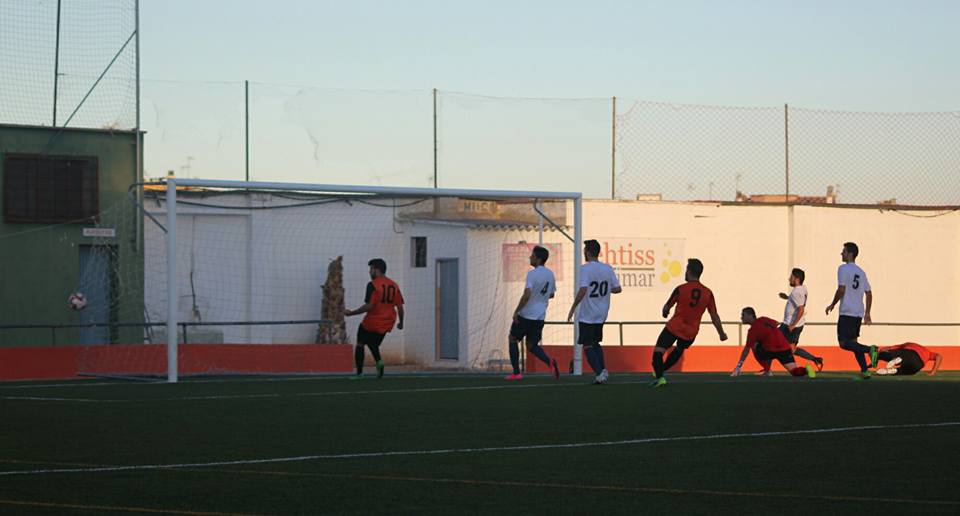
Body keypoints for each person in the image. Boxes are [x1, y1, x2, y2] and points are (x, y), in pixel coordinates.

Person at [651, 258, 727, 388]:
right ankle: (661, 371)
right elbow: (714, 316)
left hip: (674, 326)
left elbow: (667, 306)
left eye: (686, 270)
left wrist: (665, 312)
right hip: (691, 331)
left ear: (689, 271)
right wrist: (721, 333)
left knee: (658, 351)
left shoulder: (681, 289)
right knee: (679, 349)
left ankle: (660, 376)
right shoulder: (708, 293)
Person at [567, 239, 622, 384]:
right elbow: (618, 289)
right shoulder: (607, 268)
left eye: (585, 250)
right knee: (595, 342)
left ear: (589, 252)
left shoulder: (585, 269)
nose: (584, 253)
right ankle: (603, 370)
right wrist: (603, 289)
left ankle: (599, 373)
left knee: (587, 345)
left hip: (588, 313)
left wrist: (573, 307)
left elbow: (583, 289)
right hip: (602, 312)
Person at [506, 245, 561, 380]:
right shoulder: (550, 274)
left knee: (513, 339)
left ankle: (517, 373)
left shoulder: (532, 274)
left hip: (526, 314)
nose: (530, 257)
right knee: (531, 345)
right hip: (540, 316)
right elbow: (552, 294)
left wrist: (516, 311)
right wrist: (540, 297)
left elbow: (527, 294)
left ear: (538, 259)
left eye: (532, 256)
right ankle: (550, 362)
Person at [825, 242, 878, 379]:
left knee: (844, 344)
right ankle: (865, 370)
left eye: (843, 251)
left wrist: (832, 304)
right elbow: (869, 293)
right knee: (854, 343)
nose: (841, 254)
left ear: (850, 254)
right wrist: (867, 313)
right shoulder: (861, 272)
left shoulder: (843, 269)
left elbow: (841, 289)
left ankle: (870, 350)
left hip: (847, 311)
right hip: (858, 312)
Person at [345, 258, 404, 379]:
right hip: (387, 323)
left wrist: (352, 313)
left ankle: (360, 374)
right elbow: (400, 307)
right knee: (373, 343)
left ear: (376, 270)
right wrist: (401, 323)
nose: (369, 272)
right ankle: (379, 362)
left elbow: (369, 306)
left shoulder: (372, 285)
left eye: (370, 269)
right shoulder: (394, 285)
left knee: (361, 343)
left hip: (372, 321)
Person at [731, 307, 816, 378]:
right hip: (785, 348)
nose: (741, 317)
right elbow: (777, 323)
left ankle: (767, 370)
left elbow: (746, 349)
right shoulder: (764, 319)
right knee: (794, 372)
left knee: (755, 346)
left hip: (771, 351)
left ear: (750, 316)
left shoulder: (752, 330)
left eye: (743, 315)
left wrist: (739, 366)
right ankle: (806, 370)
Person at [777, 267, 823, 371]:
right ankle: (815, 360)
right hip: (797, 324)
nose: (789, 279)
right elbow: (800, 301)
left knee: (772, 342)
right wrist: (787, 297)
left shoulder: (796, 292)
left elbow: (801, 309)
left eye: (791, 277)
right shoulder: (803, 288)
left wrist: (793, 324)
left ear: (796, 278)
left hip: (790, 324)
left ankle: (767, 370)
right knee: (792, 349)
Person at [875, 342, 942, 376]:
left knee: (892, 355)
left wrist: (880, 352)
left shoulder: (907, 344)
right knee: (910, 371)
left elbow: (891, 347)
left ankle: (900, 359)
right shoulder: (927, 352)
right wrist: (933, 372)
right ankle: (895, 370)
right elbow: (938, 356)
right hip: (919, 364)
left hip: (908, 353)